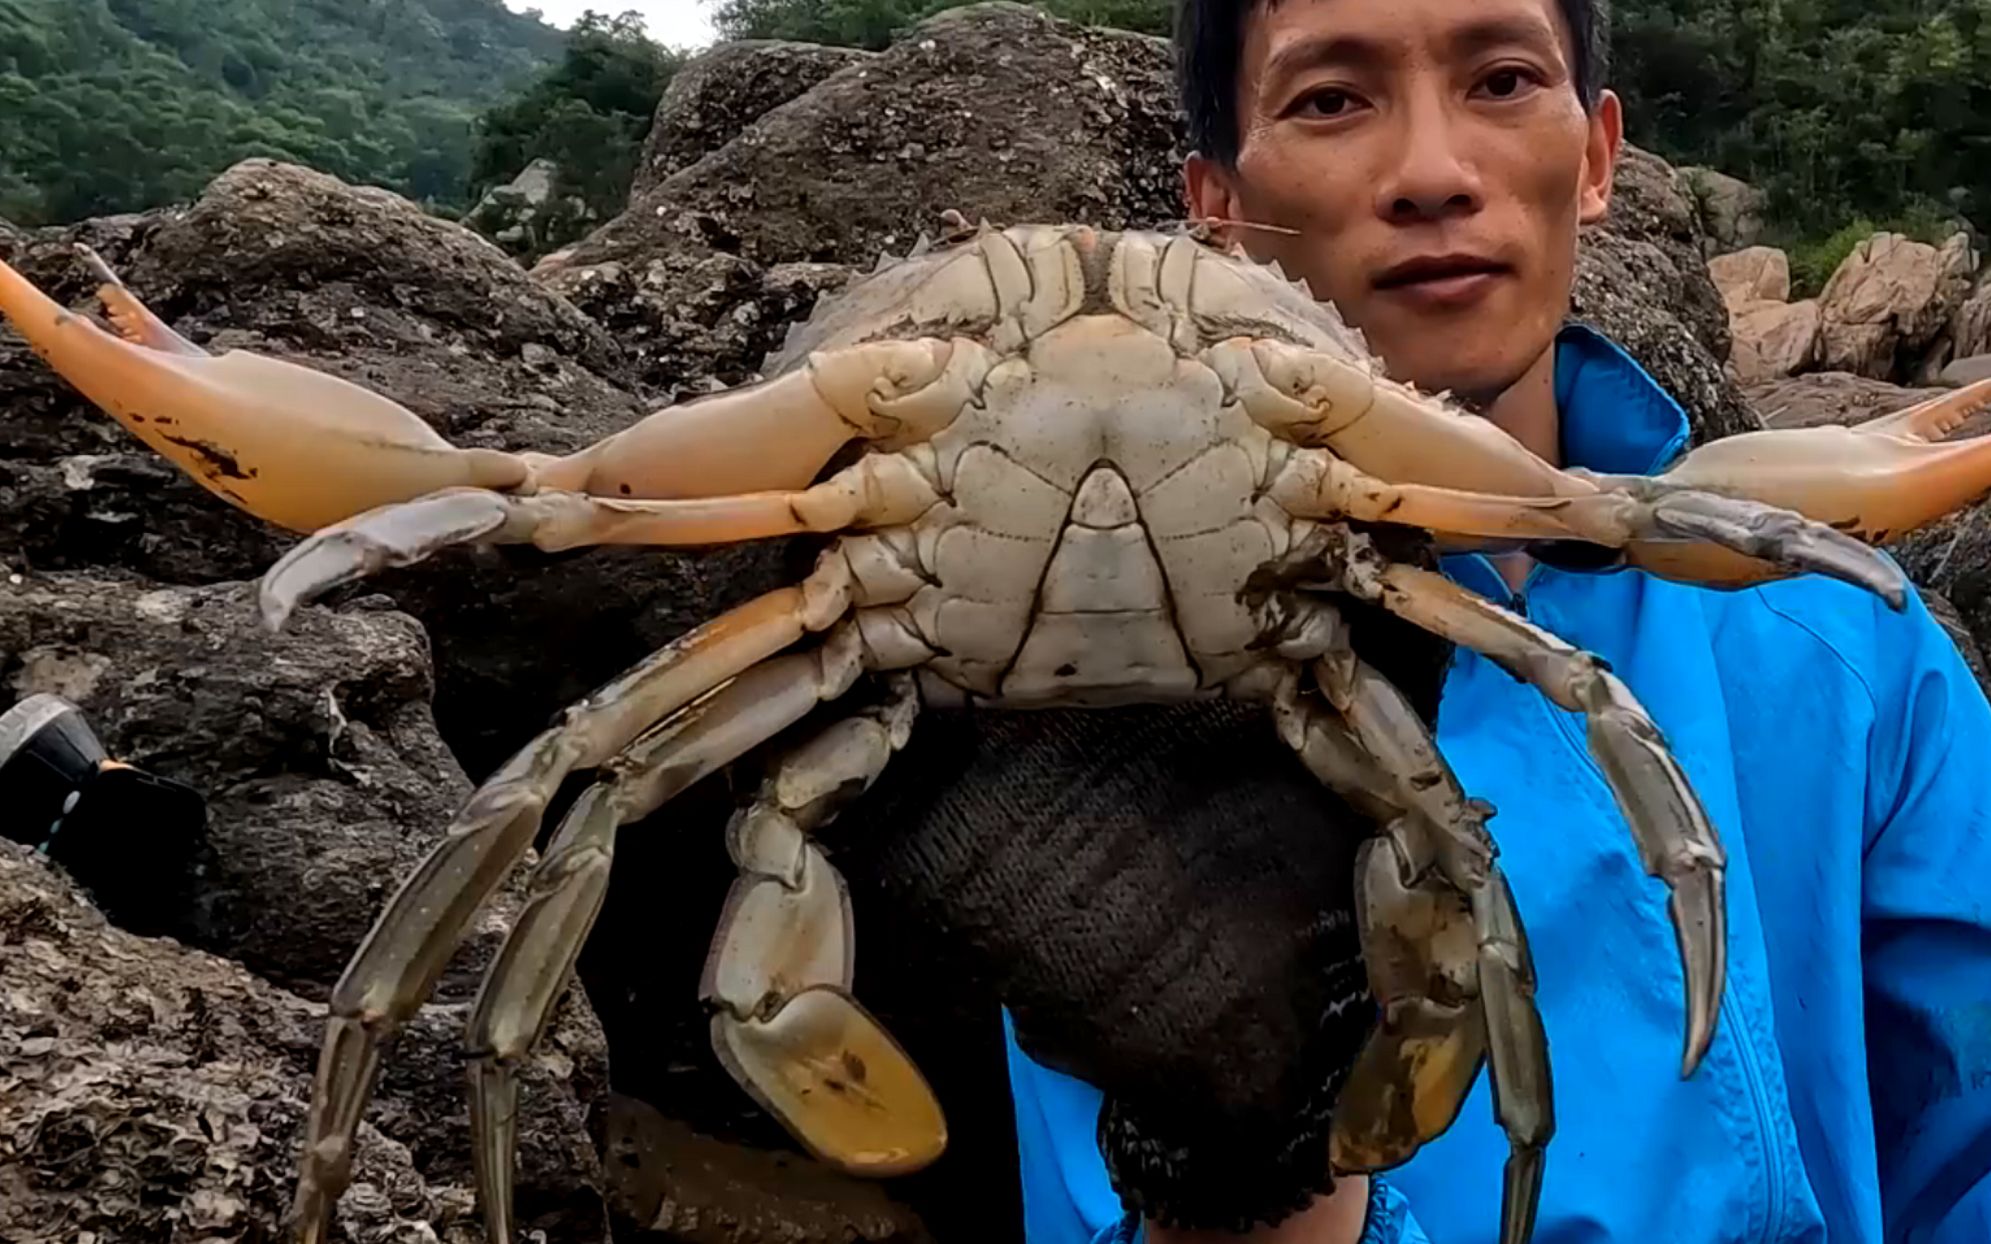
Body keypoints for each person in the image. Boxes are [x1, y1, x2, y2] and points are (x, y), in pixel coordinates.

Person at [986, 1, 1991, 1241]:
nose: (1429, 174)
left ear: (1595, 157)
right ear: (1217, 211)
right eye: (1329, 99)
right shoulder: (1112, 735)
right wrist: (1233, 1153)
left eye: (1503, 78)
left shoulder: (1841, 646)